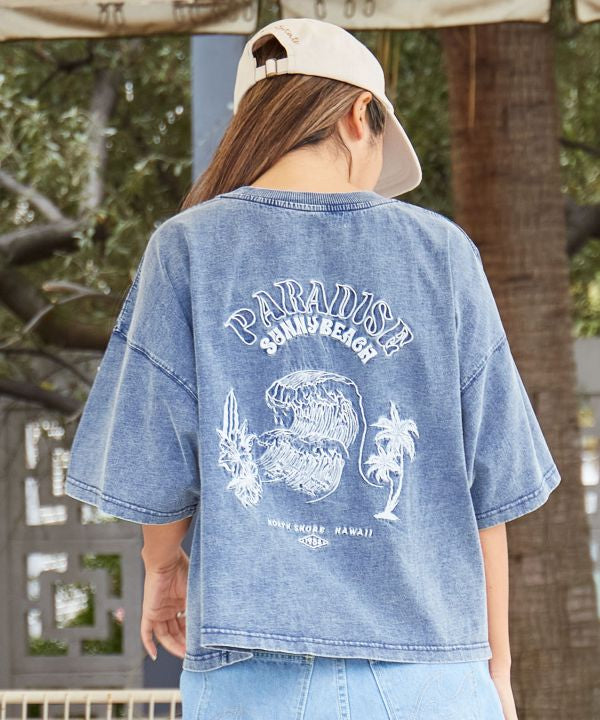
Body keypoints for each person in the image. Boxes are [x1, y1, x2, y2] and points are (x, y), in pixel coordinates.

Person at [64, 17, 561, 720]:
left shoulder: (188, 248)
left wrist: (162, 567)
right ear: (361, 116)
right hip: (430, 671)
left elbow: (156, 464)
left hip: (251, 668)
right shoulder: (442, 253)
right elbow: (490, 490)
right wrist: (496, 671)